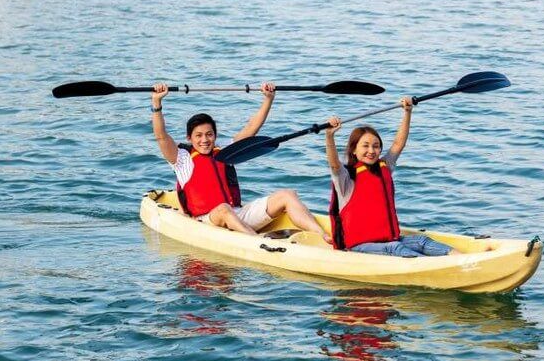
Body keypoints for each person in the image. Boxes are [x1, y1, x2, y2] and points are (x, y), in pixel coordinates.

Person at [151, 81, 330, 240]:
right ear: (189, 138)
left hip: (236, 214)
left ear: (215, 135)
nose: (204, 140)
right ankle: (256, 242)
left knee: (287, 195)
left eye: (209, 134)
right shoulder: (182, 159)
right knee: (223, 208)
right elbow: (161, 136)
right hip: (206, 221)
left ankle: (322, 235)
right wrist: (157, 103)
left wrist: (268, 99)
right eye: (198, 136)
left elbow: (252, 128)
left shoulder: (224, 151)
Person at [324, 97, 458, 257]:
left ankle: (464, 258)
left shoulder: (383, 168)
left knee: (422, 241)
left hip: (387, 240)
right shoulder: (346, 177)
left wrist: (408, 112)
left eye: (376, 146)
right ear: (354, 150)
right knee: (395, 248)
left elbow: (397, 144)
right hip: (359, 246)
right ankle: (443, 268)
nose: (372, 151)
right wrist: (329, 136)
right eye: (365, 146)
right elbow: (334, 164)